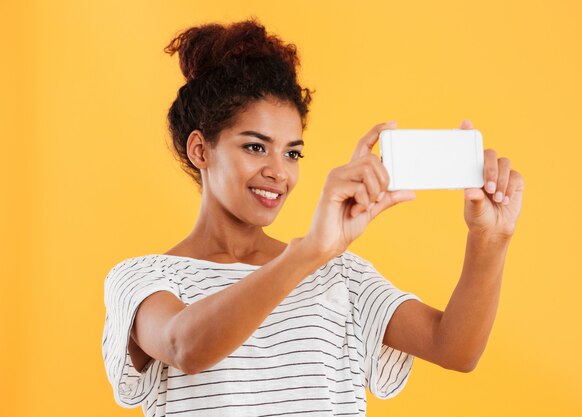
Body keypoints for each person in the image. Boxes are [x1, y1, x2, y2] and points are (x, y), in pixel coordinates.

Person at [101, 18, 524, 417]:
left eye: (292, 153)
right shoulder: (143, 278)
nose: (278, 171)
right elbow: (184, 346)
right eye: (255, 147)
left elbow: (454, 348)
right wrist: (309, 253)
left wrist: (490, 239)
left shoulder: (338, 274)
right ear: (200, 150)